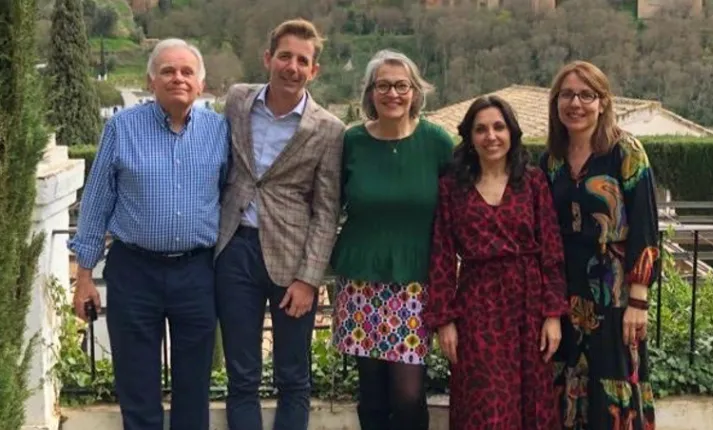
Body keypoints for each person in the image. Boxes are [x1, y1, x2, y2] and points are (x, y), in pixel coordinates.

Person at [68, 38, 229, 430]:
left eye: (187, 71)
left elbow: (229, 193)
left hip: (197, 273)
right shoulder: (122, 128)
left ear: (201, 83)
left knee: (194, 387)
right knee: (137, 386)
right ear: (150, 80)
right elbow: (96, 201)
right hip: (134, 271)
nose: (178, 78)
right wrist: (84, 276)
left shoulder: (219, 130)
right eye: (168, 71)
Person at [214, 18, 346, 430]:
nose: (292, 66)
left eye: (302, 60)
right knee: (242, 377)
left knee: (294, 377)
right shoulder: (237, 101)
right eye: (285, 56)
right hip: (234, 249)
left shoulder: (328, 129)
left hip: (293, 263)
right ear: (268, 58)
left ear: (314, 71)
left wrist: (309, 279)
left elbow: (327, 211)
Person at [424, 95, 567, 430]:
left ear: (512, 133)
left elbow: (552, 251)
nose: (491, 136)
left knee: (530, 399)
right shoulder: (452, 188)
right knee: (483, 403)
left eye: (499, 127)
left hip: (528, 305)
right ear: (470, 137)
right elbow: (442, 255)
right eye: (481, 129)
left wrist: (553, 315)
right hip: (477, 307)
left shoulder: (533, 182)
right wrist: (444, 320)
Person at [330, 49, 454, 430]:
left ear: (416, 92)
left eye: (402, 85)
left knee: (408, 394)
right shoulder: (351, 142)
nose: (393, 93)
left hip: (416, 283)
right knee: (372, 392)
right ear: (370, 93)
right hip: (361, 281)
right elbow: (328, 202)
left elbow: (459, 209)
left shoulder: (436, 142)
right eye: (383, 85)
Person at [539, 60, 660, 430]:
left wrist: (638, 301)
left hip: (615, 292)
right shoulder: (551, 160)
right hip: (565, 291)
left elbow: (645, 228)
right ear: (556, 103)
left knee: (613, 385)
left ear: (603, 102)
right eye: (567, 95)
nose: (576, 103)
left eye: (586, 95)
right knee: (565, 384)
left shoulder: (625, 152)